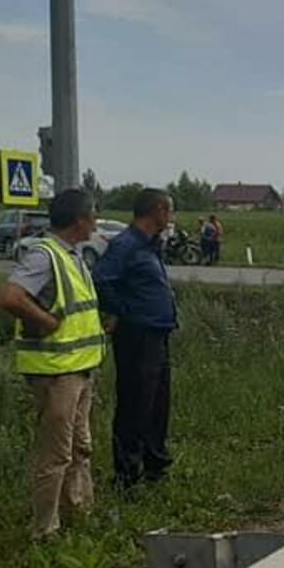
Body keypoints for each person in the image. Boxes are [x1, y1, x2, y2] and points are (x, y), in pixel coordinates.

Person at [0, 189, 106, 537]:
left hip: (79, 368)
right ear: (79, 220)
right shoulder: (44, 256)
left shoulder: (71, 255)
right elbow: (11, 297)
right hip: (57, 372)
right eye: (93, 216)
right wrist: (45, 322)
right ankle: (44, 531)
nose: (96, 222)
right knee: (57, 454)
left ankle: (78, 516)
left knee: (80, 448)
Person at [94, 188, 179, 490]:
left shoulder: (151, 245)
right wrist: (123, 311)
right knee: (135, 403)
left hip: (158, 333)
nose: (171, 217)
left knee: (157, 402)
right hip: (137, 335)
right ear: (156, 210)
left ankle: (156, 465)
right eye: (169, 210)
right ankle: (127, 475)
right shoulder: (126, 245)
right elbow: (102, 279)